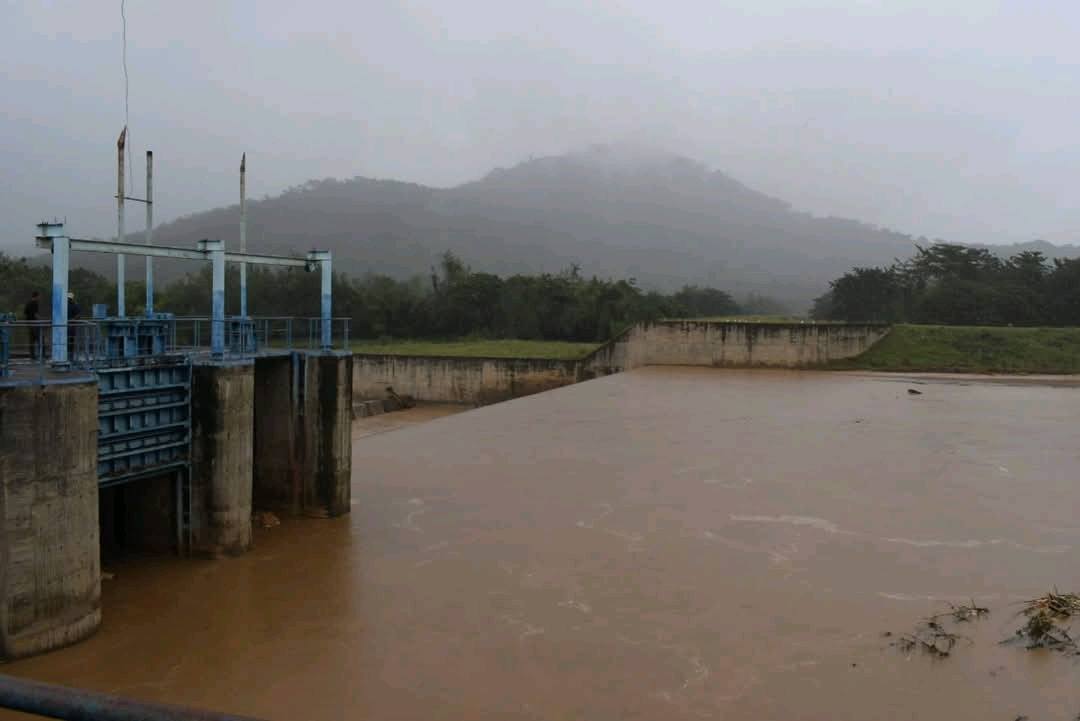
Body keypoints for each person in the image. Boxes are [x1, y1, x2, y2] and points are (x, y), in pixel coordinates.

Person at [23, 291, 40, 359]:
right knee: (40, 339)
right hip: (34, 324)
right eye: (39, 296)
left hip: (29, 323)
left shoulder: (28, 303)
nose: (39, 298)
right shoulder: (35, 303)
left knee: (31, 340)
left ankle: (32, 355)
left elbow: (25, 313)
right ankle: (42, 355)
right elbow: (36, 315)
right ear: (36, 296)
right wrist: (40, 320)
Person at [66, 292, 80, 360]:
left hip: (67, 325)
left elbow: (77, 315)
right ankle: (70, 356)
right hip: (71, 325)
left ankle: (68, 356)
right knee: (70, 341)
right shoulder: (75, 305)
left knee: (68, 341)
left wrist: (72, 319)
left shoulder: (65, 305)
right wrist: (73, 319)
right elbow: (78, 315)